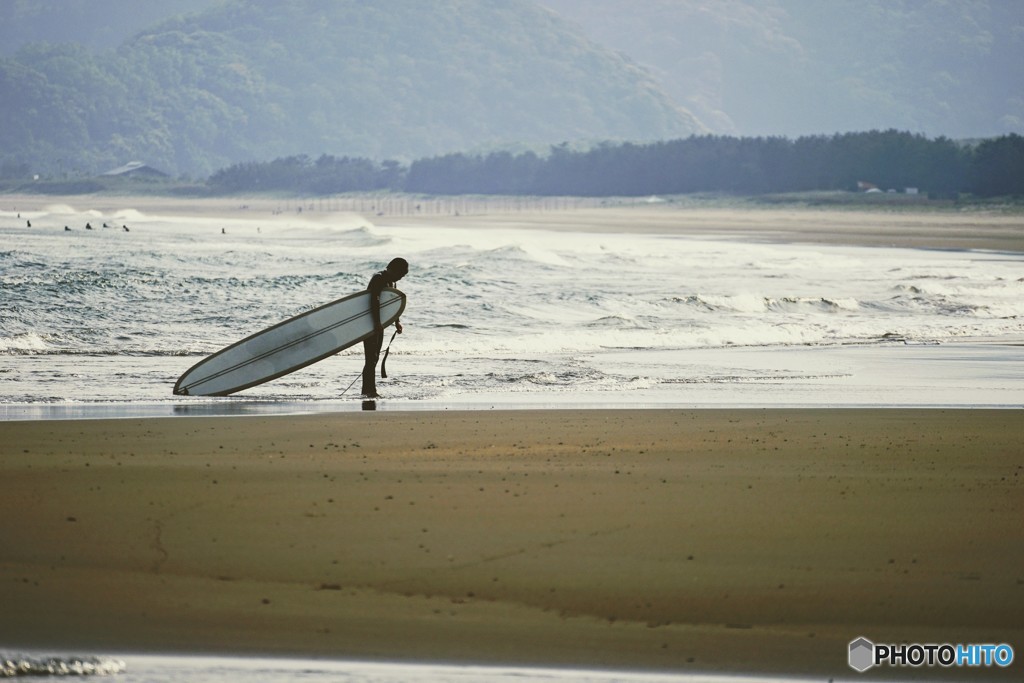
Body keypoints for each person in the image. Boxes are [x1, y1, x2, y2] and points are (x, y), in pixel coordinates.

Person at [361, 257, 409, 398]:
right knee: (371, 358)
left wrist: (396, 321)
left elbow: (390, 304)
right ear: (393, 269)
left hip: (378, 324)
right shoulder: (378, 278)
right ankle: (368, 391)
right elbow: (373, 300)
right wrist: (376, 322)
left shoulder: (391, 282)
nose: (401, 278)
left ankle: (369, 389)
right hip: (370, 323)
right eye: (401, 274)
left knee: (374, 358)